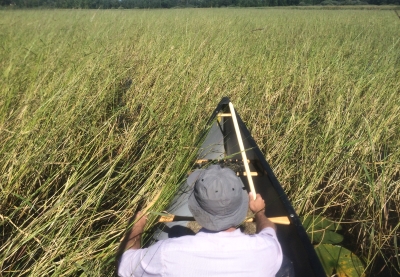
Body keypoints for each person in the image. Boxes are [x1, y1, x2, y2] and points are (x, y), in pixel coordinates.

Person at [118, 165, 283, 277]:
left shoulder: (166, 253)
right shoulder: (267, 249)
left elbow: (126, 266)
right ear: (241, 203)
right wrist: (260, 212)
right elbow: (269, 230)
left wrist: (137, 225)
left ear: (197, 209)